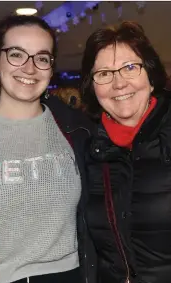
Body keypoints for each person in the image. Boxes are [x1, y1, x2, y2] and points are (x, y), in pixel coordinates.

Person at [0, 14, 96, 283]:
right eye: (16, 54)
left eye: (41, 58)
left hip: (73, 275)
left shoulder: (80, 131)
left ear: (50, 68)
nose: (29, 68)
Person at [81, 21, 171, 283]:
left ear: (151, 78)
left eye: (130, 68)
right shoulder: (89, 150)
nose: (119, 84)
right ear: (93, 87)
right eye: (104, 74)